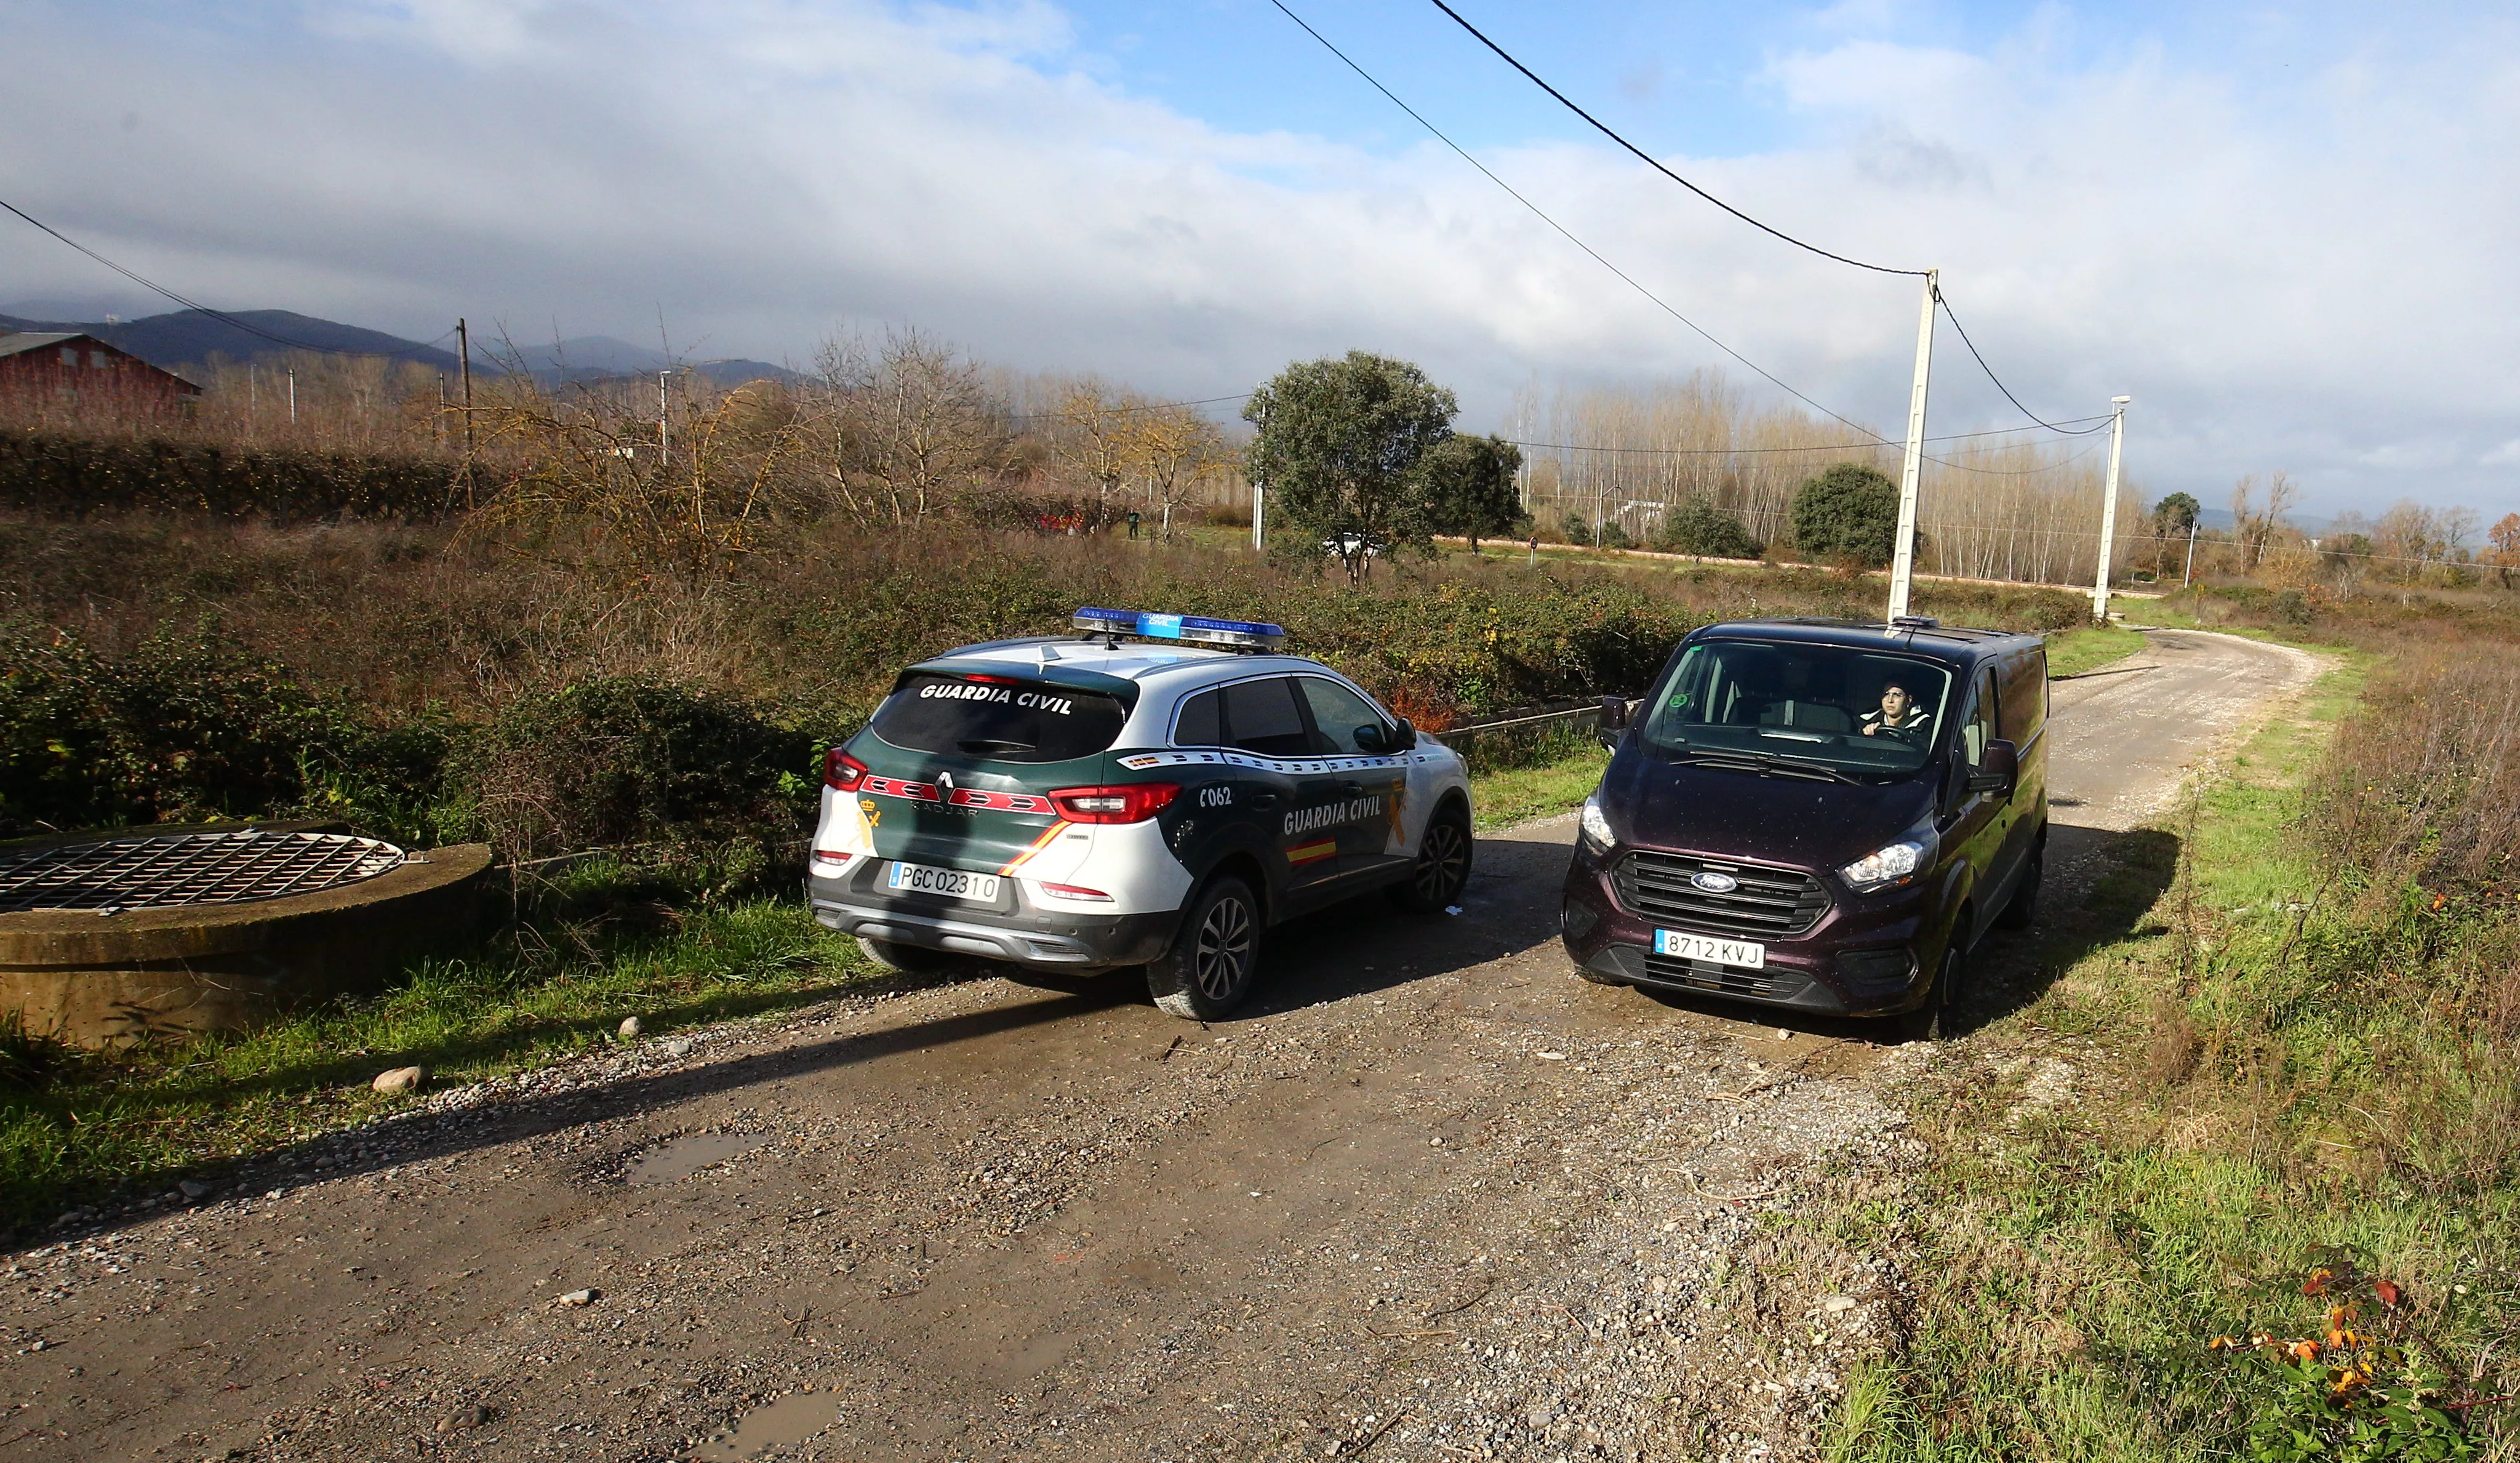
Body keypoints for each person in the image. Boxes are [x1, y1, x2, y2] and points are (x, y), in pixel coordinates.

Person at [1858, 681, 1933, 746]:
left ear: (1909, 700)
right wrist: (1867, 737)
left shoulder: (1924, 725)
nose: (1890, 700)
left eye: (1897, 695)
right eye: (1886, 694)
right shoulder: (1866, 721)